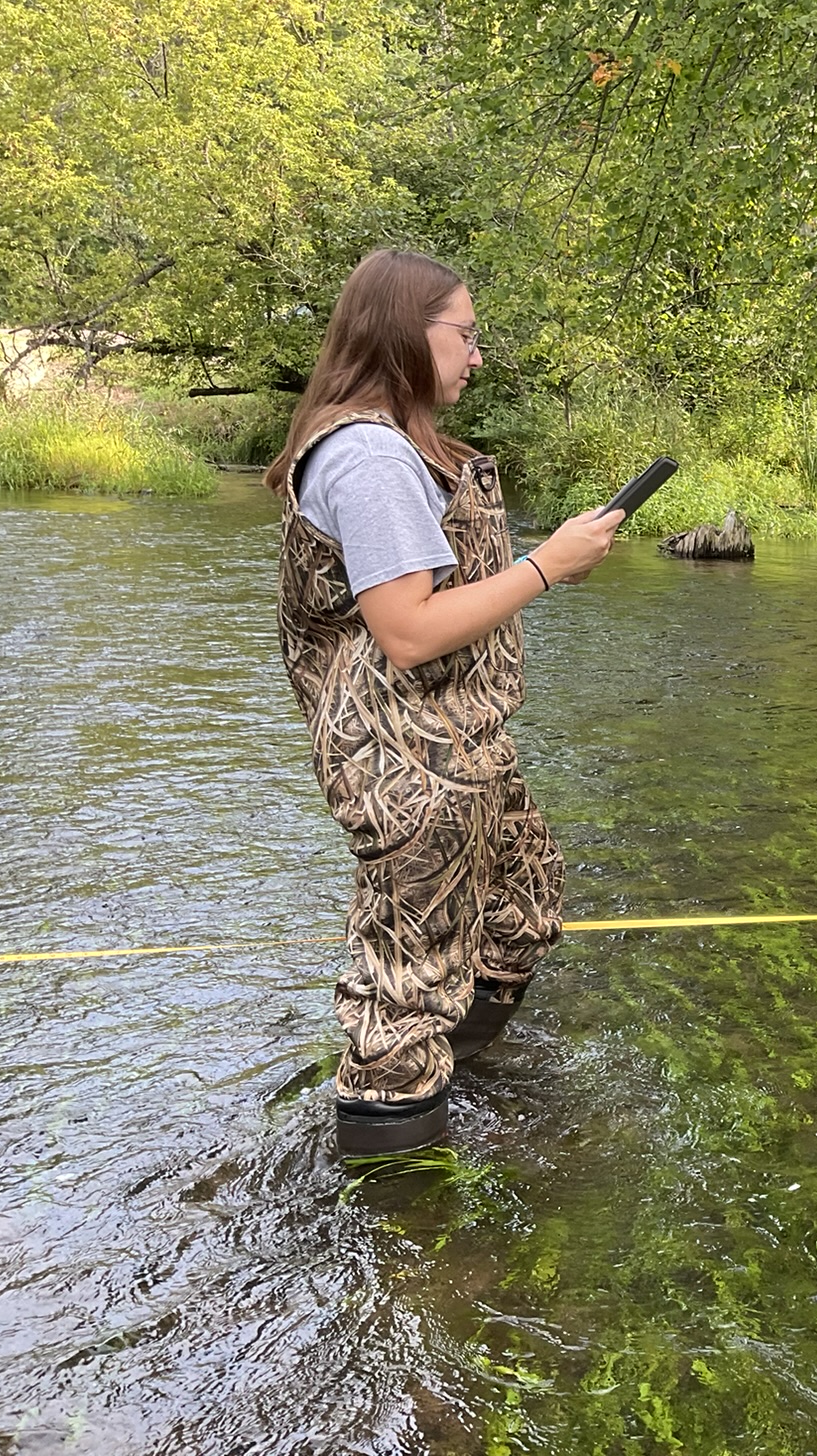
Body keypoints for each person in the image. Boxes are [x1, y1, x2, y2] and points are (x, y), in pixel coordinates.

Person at [265, 249, 625, 1155]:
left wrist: (544, 561)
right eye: (463, 335)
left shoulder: (404, 450)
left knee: (523, 903)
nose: (475, 355)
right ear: (402, 334)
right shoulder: (370, 458)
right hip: (403, 761)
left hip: (459, 740)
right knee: (404, 993)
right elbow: (410, 630)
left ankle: (456, 1083)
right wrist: (548, 567)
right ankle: (403, 1232)